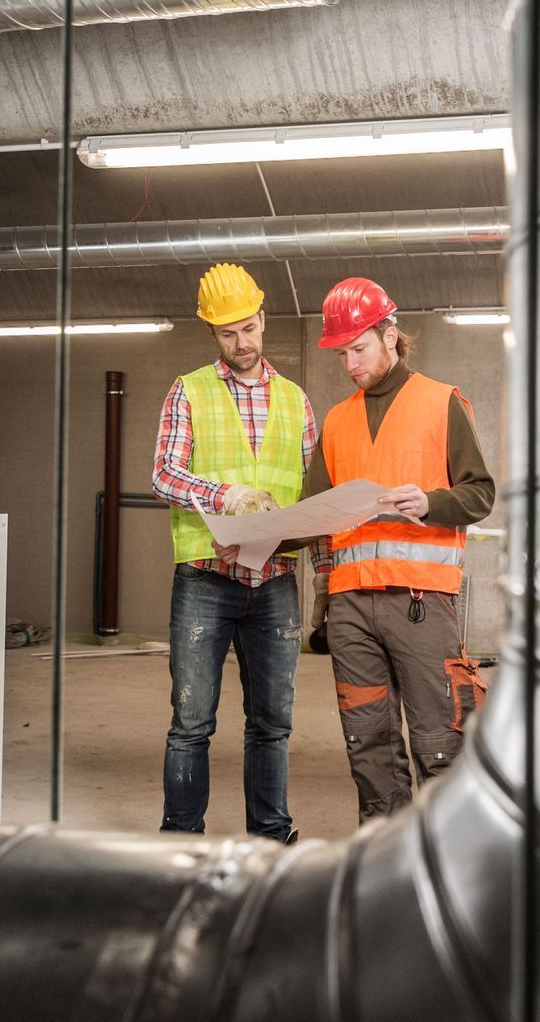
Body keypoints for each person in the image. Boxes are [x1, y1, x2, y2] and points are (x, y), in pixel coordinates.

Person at [310, 276, 496, 820]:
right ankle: (386, 860)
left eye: (359, 348)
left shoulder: (442, 403)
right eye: (342, 352)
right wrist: (253, 535)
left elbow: (479, 494)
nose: (350, 364)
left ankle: (453, 861)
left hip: (421, 603)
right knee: (368, 745)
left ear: (390, 336)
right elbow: (313, 511)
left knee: (439, 739)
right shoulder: (338, 420)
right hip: (349, 609)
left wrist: (431, 502)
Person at [150, 263, 316, 843]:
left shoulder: (296, 400)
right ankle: (180, 839)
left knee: (271, 723)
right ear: (212, 335)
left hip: (273, 582)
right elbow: (164, 475)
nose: (241, 343)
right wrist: (226, 494)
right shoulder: (188, 389)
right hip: (205, 579)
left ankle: (271, 834)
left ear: (263, 320)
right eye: (228, 334)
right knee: (191, 723)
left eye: (248, 329)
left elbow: (312, 491)